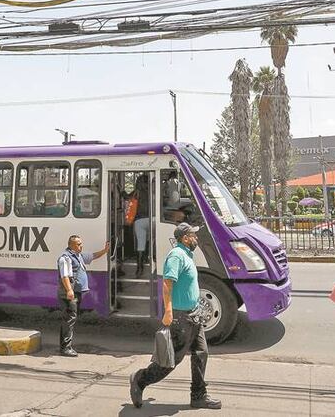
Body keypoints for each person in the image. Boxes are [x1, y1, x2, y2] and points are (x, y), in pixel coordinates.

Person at [130, 223, 221, 410]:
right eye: (193, 235)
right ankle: (140, 379)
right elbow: (167, 284)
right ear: (185, 238)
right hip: (181, 318)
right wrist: (168, 310)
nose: (196, 238)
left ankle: (198, 396)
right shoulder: (176, 256)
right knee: (171, 361)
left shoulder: (187, 254)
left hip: (194, 315)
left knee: (201, 353)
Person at [57, 235, 110, 357]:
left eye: (81, 243)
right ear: (71, 245)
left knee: (70, 319)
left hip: (76, 293)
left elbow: (93, 256)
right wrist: (69, 290)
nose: (81, 246)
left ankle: (65, 346)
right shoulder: (66, 258)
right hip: (70, 294)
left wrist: (105, 250)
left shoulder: (78, 256)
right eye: (78, 244)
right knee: (69, 319)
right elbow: (64, 276)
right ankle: (65, 348)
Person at [131, 175, 152, 277]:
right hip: (151, 220)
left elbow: (126, 197)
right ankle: (148, 258)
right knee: (149, 240)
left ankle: (139, 269)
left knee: (140, 245)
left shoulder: (137, 192)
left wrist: (119, 189)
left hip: (139, 221)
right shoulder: (152, 191)